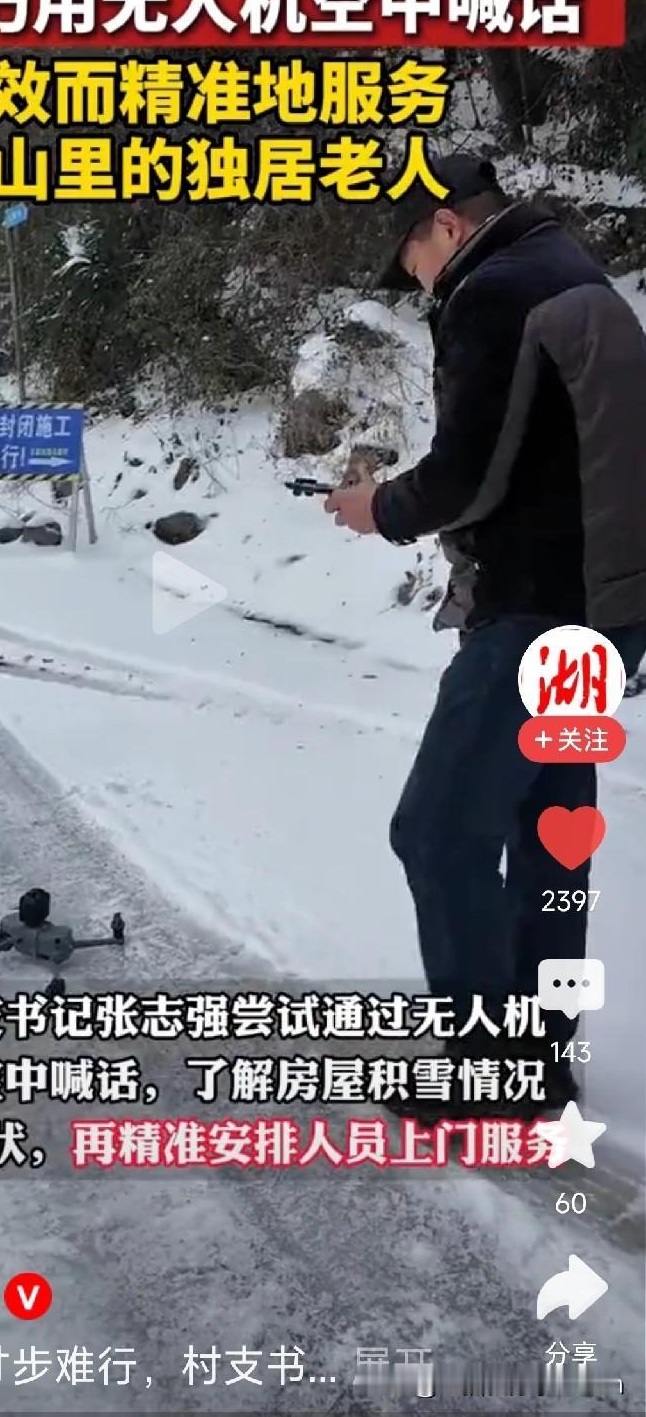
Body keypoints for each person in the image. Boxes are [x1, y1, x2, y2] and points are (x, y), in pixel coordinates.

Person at [326, 151, 646, 1113]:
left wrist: (378, 506)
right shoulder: (577, 276)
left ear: (447, 225)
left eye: (412, 258)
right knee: (550, 832)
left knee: (437, 831)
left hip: (535, 610)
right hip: (603, 612)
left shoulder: (499, 292)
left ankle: (489, 1070)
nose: (418, 280)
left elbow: (469, 472)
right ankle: (538, 1058)